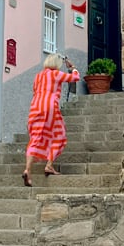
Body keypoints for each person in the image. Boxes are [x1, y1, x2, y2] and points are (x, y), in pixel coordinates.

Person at [23, 53, 80, 186]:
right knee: (60, 135)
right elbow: (75, 77)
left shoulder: (38, 76)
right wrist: (73, 67)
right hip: (49, 107)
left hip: (35, 107)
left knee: (35, 138)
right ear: (57, 64)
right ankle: (49, 165)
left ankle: (27, 170)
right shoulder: (56, 74)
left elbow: (35, 92)